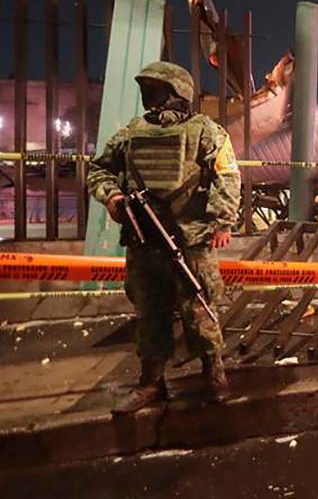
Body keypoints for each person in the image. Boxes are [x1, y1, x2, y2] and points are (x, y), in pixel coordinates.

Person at [87, 60, 241, 413]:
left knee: (199, 309)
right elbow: (98, 169)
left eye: (159, 92)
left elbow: (227, 175)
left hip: (190, 238)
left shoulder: (206, 131)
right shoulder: (131, 132)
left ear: (179, 94)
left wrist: (221, 220)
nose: (153, 100)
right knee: (150, 312)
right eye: (150, 93)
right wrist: (111, 195)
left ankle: (213, 372)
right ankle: (151, 383)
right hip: (145, 239)